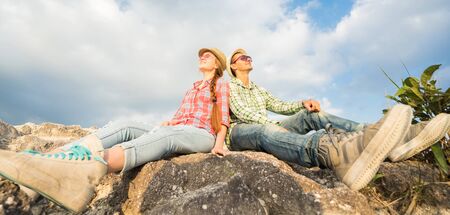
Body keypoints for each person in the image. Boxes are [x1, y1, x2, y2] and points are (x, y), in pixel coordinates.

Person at [0, 48, 230, 213]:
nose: (202, 57)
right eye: (201, 55)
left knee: (165, 136)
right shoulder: (192, 88)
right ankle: (50, 160)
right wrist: (170, 121)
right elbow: (178, 117)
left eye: (208, 55)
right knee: (127, 124)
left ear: (218, 64)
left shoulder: (221, 84)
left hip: (202, 135)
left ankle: (86, 171)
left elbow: (223, 117)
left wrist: (219, 143)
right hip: (178, 129)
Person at [225, 48, 450, 191]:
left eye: (249, 56)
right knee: (265, 131)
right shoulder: (227, 86)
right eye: (242, 58)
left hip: (269, 126)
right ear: (233, 66)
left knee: (309, 115)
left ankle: (382, 135)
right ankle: (339, 154)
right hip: (241, 132)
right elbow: (242, 112)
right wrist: (275, 127)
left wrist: (303, 103)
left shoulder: (258, 89)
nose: (248, 59)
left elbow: (278, 106)